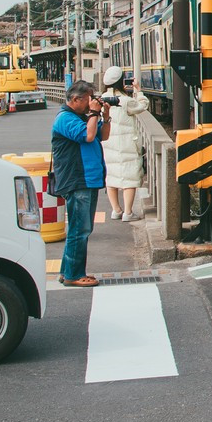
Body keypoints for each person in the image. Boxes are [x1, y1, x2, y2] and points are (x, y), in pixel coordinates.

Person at [50, 82, 108, 287]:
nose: (91, 102)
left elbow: (103, 135)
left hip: (88, 180)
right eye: (89, 98)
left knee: (81, 229)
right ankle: (74, 275)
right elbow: (88, 135)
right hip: (77, 180)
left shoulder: (82, 117)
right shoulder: (65, 119)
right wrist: (94, 113)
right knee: (79, 230)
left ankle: (67, 272)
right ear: (75, 99)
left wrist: (105, 115)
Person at [100, 66, 147, 222]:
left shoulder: (101, 99)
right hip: (127, 144)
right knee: (129, 177)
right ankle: (127, 212)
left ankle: (116, 210)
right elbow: (143, 106)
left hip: (108, 143)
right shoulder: (126, 101)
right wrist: (138, 90)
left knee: (111, 176)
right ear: (121, 82)